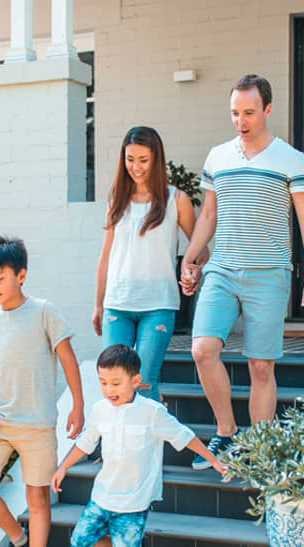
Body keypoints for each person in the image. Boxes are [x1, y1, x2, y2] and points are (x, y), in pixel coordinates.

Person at [180, 74, 304, 470]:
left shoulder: (291, 159)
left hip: (269, 273)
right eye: (234, 113)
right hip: (222, 271)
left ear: (267, 110)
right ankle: (226, 433)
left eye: (249, 112)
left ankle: (260, 449)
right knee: (202, 350)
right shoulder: (217, 157)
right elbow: (208, 215)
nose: (241, 121)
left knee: (260, 366)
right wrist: (190, 258)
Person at [0, 236, 86, 547]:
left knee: (38, 498)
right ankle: (19, 538)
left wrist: (78, 406)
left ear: (21, 275)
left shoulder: (44, 312)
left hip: (36, 425)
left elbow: (68, 359)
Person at [52, 344, 227, 547]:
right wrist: (63, 467)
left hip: (133, 503)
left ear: (135, 381)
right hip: (101, 497)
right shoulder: (99, 409)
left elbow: (184, 436)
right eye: (103, 383)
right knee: (80, 541)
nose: (109, 390)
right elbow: (86, 442)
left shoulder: (151, 412)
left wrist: (214, 460)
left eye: (116, 383)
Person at [93, 126, 205, 402]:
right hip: (117, 304)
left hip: (158, 304)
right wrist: (98, 304)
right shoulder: (116, 200)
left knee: (143, 382)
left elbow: (200, 249)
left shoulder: (176, 200)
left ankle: (151, 445)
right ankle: (118, 444)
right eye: (130, 159)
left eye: (143, 160)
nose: (136, 167)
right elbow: (105, 255)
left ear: (156, 159)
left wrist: (192, 269)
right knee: (114, 383)